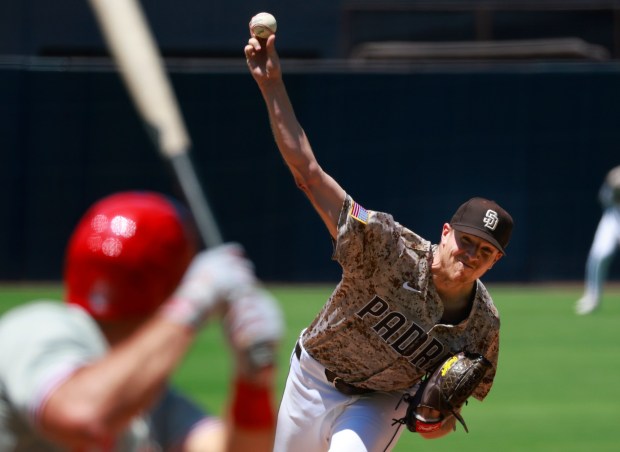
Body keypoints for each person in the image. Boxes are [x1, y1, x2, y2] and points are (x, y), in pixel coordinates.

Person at [244, 34, 514, 451]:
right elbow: (309, 174)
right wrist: (272, 84)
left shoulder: (484, 326)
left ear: (495, 261)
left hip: (381, 403)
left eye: (486, 251)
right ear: (445, 233)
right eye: (467, 240)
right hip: (313, 378)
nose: (472, 254)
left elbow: (446, 412)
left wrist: (433, 422)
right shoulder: (386, 246)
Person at [0, 191, 284, 451]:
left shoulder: (141, 395)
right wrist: (192, 302)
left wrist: (253, 383)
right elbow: (82, 417)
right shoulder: (39, 327)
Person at [576, 165, 620, 315]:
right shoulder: (615, 173)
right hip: (613, 217)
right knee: (600, 255)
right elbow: (606, 196)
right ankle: (592, 298)